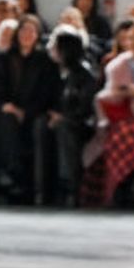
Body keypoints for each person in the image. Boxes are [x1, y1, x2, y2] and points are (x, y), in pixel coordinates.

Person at [0, 15, 59, 202]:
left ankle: (19, 180)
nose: (26, 35)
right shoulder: (1, 59)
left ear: (37, 35)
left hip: (34, 112)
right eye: (23, 30)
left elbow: (47, 94)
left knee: (32, 124)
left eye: (31, 31)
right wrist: (7, 106)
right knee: (6, 121)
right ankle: (12, 174)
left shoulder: (46, 62)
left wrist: (25, 112)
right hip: (6, 110)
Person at [87, 19, 134, 205]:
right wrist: (122, 92)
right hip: (124, 115)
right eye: (131, 38)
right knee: (121, 134)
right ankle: (122, 188)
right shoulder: (118, 65)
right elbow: (107, 95)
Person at [45, 27, 99, 206]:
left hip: (80, 124)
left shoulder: (85, 74)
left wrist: (63, 117)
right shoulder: (54, 71)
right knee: (40, 126)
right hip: (60, 119)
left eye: (55, 46)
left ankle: (70, 186)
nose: (51, 49)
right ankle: (41, 187)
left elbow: (85, 108)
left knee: (65, 130)